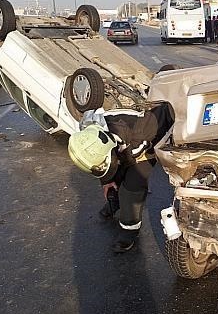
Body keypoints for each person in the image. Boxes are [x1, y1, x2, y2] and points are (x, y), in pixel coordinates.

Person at [67, 70, 176, 253]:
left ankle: (129, 231)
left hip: (144, 145)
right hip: (122, 143)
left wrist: (120, 175)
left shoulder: (141, 133)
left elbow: (132, 155)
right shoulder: (89, 129)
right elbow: (102, 161)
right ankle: (115, 202)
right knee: (115, 178)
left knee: (131, 189)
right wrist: (107, 181)